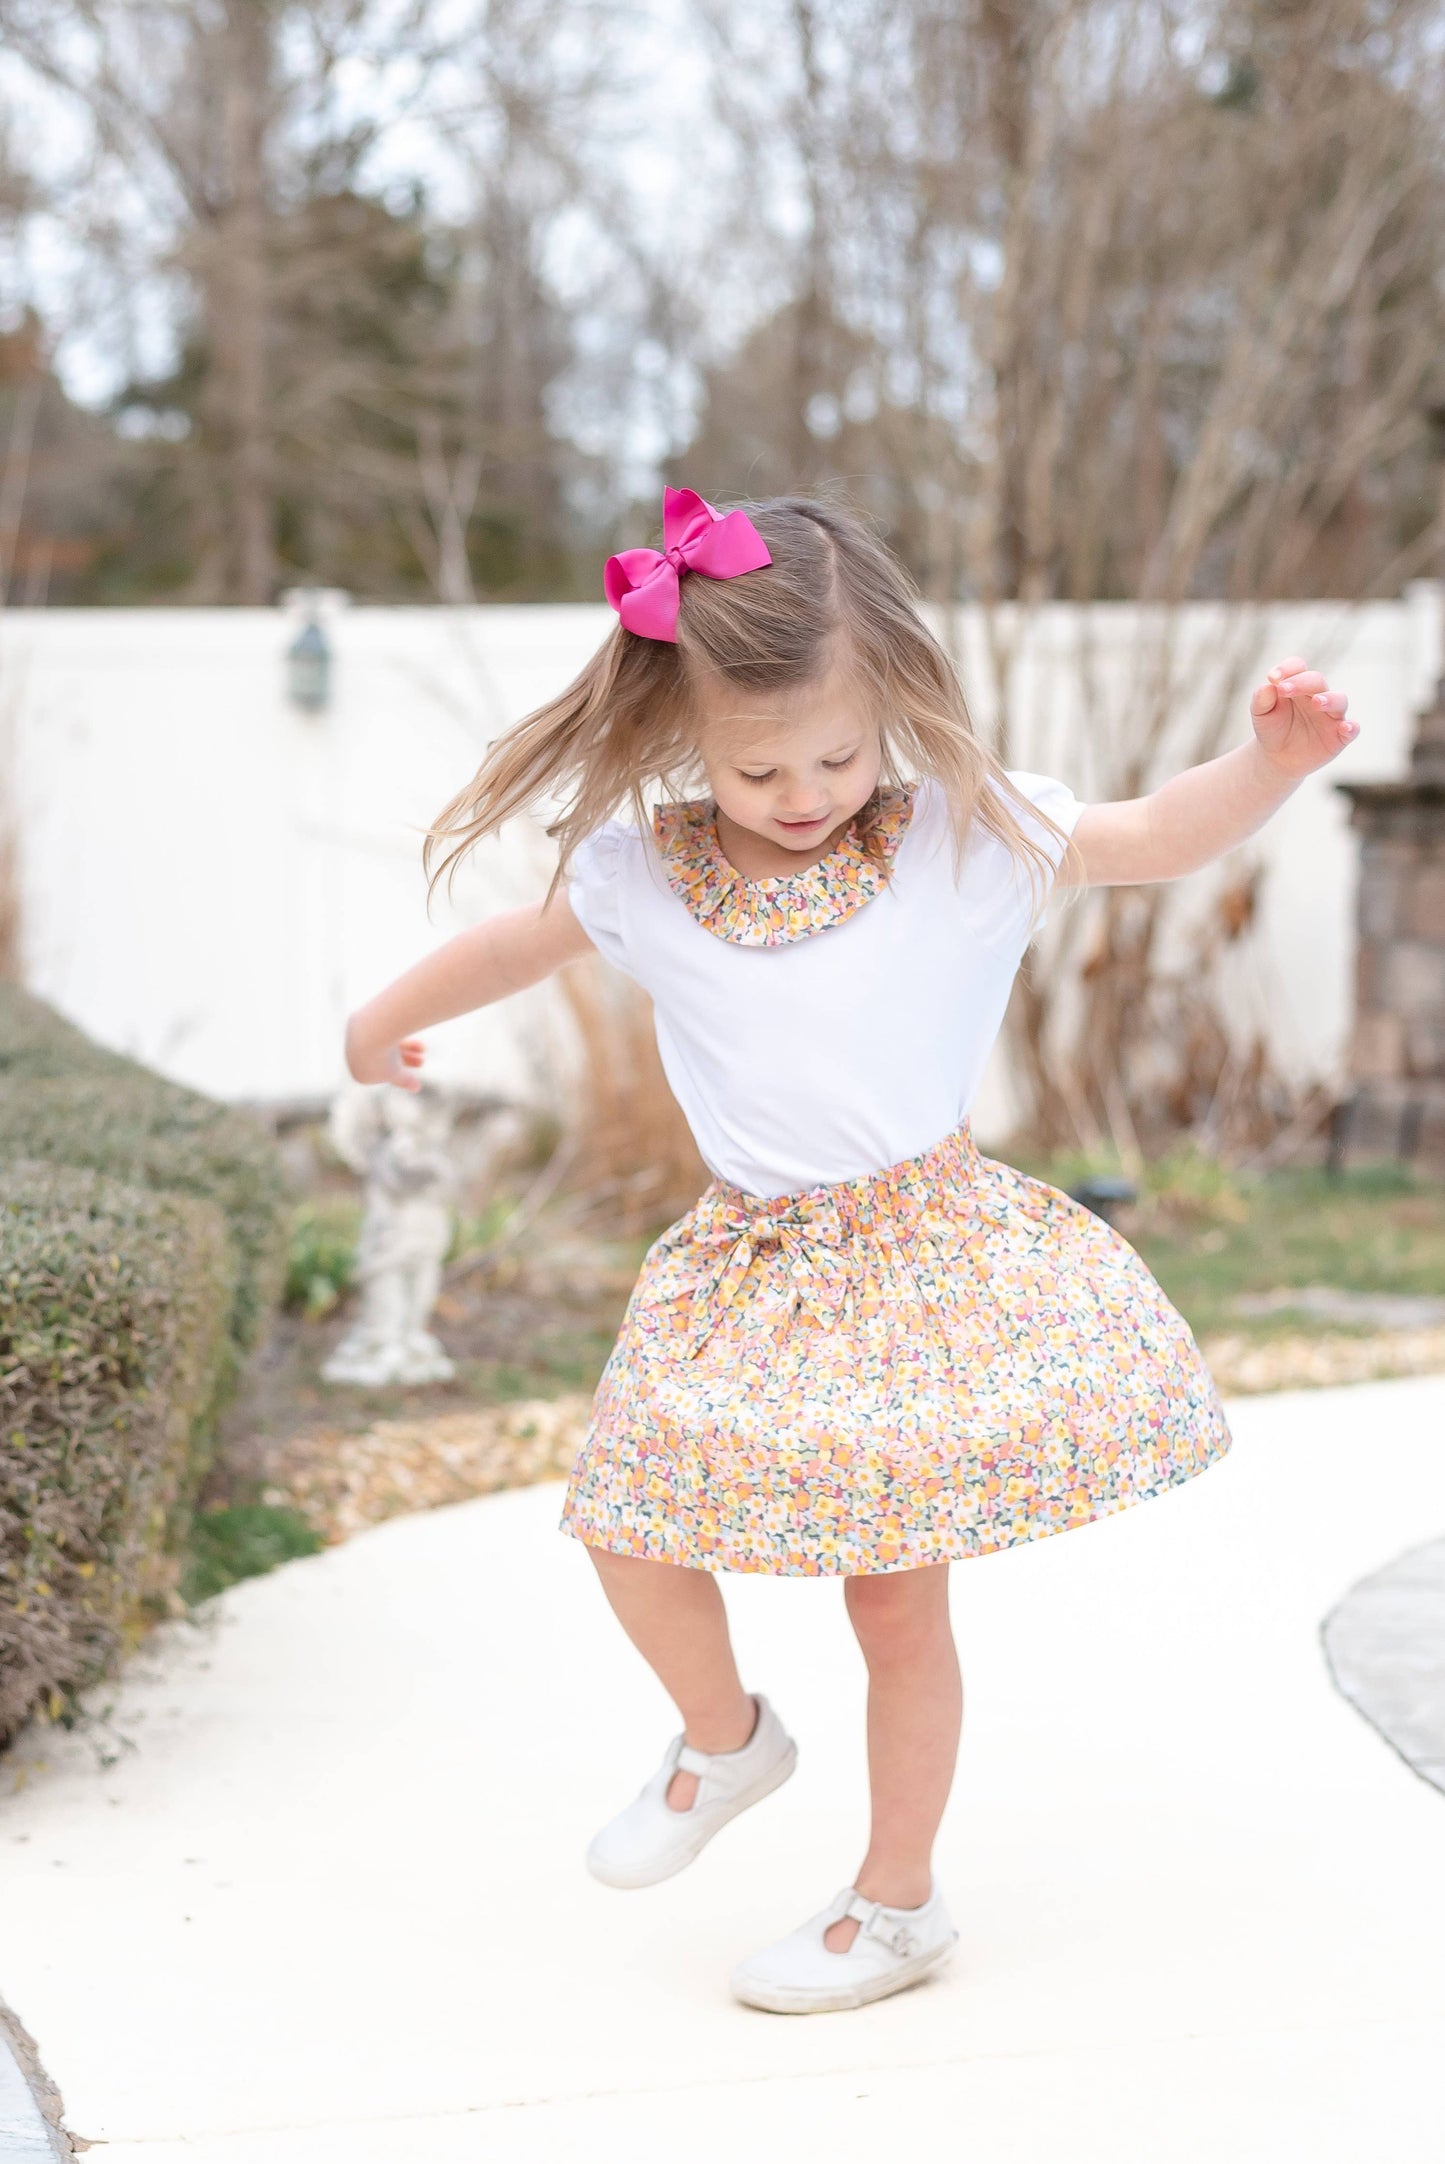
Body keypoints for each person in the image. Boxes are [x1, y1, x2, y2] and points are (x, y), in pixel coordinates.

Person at [344, 489, 1356, 2015]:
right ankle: (725, 1736)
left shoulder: (969, 836)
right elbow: (512, 943)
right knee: (627, 1513)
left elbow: (1150, 836)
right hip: (744, 1266)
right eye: (755, 766)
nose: (802, 791)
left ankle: (897, 1903)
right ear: (684, 730)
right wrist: (381, 1018)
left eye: (836, 753)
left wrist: (1267, 766)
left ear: (891, 700)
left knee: (892, 1604)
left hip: (913, 1260)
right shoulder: (645, 873)